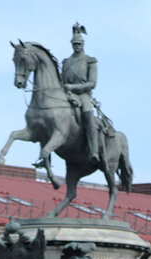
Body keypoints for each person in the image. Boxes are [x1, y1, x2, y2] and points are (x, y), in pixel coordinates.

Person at [61, 23, 99, 166]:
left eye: (79, 44)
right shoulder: (66, 62)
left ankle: (94, 150)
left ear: (83, 44)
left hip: (83, 95)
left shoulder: (90, 60)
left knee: (88, 117)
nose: (76, 46)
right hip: (67, 95)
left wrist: (73, 87)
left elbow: (92, 83)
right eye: (74, 44)